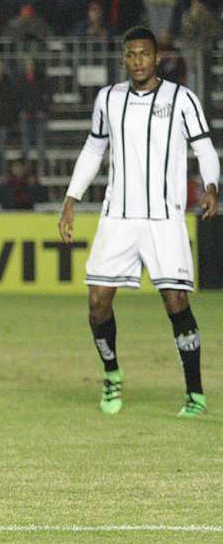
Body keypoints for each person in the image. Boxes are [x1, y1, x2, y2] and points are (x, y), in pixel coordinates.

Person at [58, 27, 220, 418]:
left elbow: (203, 147)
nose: (138, 61)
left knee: (176, 303)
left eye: (144, 54)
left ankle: (194, 392)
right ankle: (112, 373)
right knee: (97, 301)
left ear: (157, 57)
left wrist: (212, 184)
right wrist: (70, 199)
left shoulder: (182, 99)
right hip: (118, 217)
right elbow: (94, 147)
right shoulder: (108, 99)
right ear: (124, 58)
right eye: (131, 54)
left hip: (164, 219)